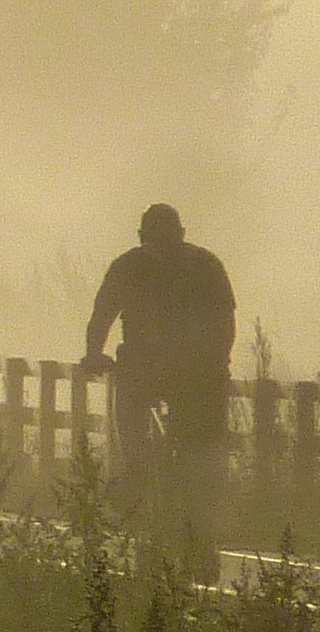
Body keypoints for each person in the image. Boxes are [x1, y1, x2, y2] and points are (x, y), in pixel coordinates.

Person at [81, 204, 236, 570]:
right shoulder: (208, 264)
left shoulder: (129, 265)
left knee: (132, 429)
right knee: (204, 455)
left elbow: (102, 316)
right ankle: (203, 533)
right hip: (201, 378)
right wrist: (218, 363)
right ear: (183, 232)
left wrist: (92, 355)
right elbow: (226, 324)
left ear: (141, 236)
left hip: (144, 372)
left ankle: (134, 475)